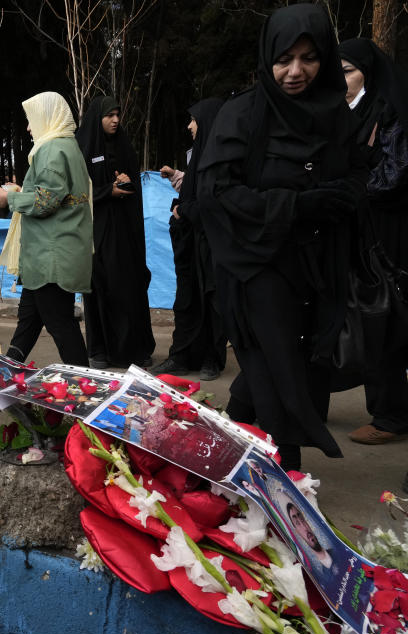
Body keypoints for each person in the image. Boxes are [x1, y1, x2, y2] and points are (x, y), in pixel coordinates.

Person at [197, 3, 365, 471]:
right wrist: (295, 203)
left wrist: (342, 195)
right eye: (283, 59)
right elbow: (217, 193)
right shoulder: (242, 114)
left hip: (315, 268)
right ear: (266, 58)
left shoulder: (335, 115)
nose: (295, 72)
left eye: (309, 58)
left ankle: (209, 452)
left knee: (278, 369)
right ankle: (285, 481)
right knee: (279, 373)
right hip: (255, 266)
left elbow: (356, 176)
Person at [336, 38, 408, 447]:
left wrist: (348, 189)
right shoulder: (346, 111)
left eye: (347, 71)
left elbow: (395, 172)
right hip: (358, 228)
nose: (339, 79)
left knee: (385, 317)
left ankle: (391, 415)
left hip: (387, 234)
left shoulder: (387, 109)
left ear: (368, 72)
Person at [0, 91, 92, 366]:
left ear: (46, 117)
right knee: (29, 316)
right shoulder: (66, 146)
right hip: (49, 255)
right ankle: (10, 366)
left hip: (52, 255)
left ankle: (83, 383)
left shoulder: (52, 150)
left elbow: (45, 201)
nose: (28, 127)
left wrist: (8, 198)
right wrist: (22, 191)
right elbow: (57, 193)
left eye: (30, 119)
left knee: (60, 324)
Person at [150, 99, 228, 381]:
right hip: (190, 241)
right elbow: (195, 190)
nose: (189, 125)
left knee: (211, 300)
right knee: (186, 299)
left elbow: (215, 200)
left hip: (210, 243)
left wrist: (183, 209)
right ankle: (180, 356)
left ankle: (211, 358)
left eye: (194, 120)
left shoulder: (219, 158)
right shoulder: (198, 155)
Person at [77, 96, 155, 368]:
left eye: (117, 114)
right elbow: (77, 192)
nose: (115, 120)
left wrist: (126, 183)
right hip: (97, 232)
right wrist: (106, 190)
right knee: (100, 286)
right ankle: (100, 351)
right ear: (97, 119)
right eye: (109, 115)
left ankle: (134, 350)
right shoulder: (83, 148)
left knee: (128, 287)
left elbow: (133, 183)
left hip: (124, 230)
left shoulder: (123, 145)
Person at [286, 502, 332, 570]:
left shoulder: (334, 552)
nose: (305, 527)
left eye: (302, 519)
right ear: (296, 531)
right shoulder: (312, 569)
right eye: (297, 523)